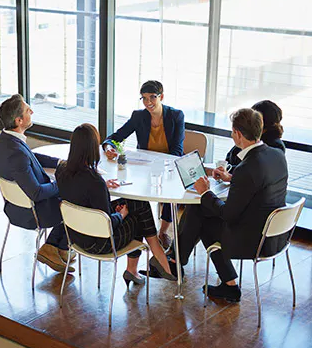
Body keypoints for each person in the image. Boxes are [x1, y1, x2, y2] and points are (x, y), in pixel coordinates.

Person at [154, 108, 288, 301]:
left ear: (238, 134)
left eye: (232, 132)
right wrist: (231, 178)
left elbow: (228, 215)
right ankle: (183, 265)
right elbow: (258, 184)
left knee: (202, 213)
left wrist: (205, 192)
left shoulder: (247, 168)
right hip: (275, 234)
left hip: (252, 240)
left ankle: (176, 263)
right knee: (202, 209)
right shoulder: (276, 155)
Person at [55, 123, 177, 285]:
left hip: (75, 236)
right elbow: (107, 226)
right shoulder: (94, 181)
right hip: (100, 242)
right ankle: (158, 258)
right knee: (138, 213)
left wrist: (104, 186)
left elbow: (80, 193)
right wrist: (121, 214)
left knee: (137, 203)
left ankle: (144, 265)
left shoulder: (62, 170)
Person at [0, 94, 75, 274]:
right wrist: (63, 182)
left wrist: (61, 163)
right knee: (76, 200)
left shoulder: (5, 140)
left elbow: (32, 158)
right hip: (33, 213)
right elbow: (36, 193)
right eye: (28, 110)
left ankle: (61, 248)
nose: (32, 111)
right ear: (19, 120)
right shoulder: (16, 152)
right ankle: (52, 246)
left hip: (15, 207)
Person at [102, 80, 185, 250]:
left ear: (161, 96)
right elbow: (115, 136)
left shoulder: (176, 116)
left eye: (152, 98)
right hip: (144, 167)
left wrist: (159, 163)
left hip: (169, 165)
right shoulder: (138, 116)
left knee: (169, 192)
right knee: (133, 193)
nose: (148, 103)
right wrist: (108, 146)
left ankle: (163, 231)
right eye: (144, 98)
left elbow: (177, 150)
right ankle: (135, 230)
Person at [225, 100, 285, 173]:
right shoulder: (251, 136)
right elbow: (231, 155)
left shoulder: (274, 146)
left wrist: (229, 171)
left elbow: (254, 170)